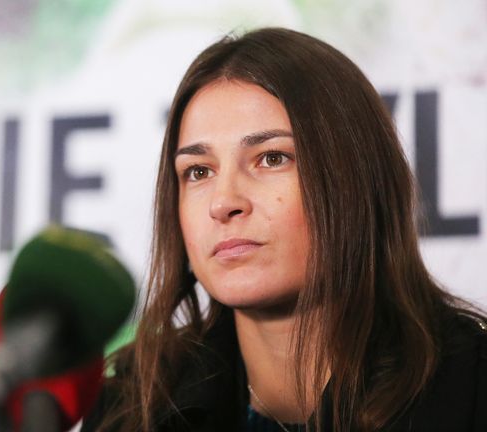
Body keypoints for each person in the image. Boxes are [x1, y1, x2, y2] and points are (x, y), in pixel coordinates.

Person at [80, 27, 487, 432]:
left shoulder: (471, 386)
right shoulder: (132, 405)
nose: (224, 203)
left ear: (358, 179)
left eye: (272, 158)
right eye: (198, 171)